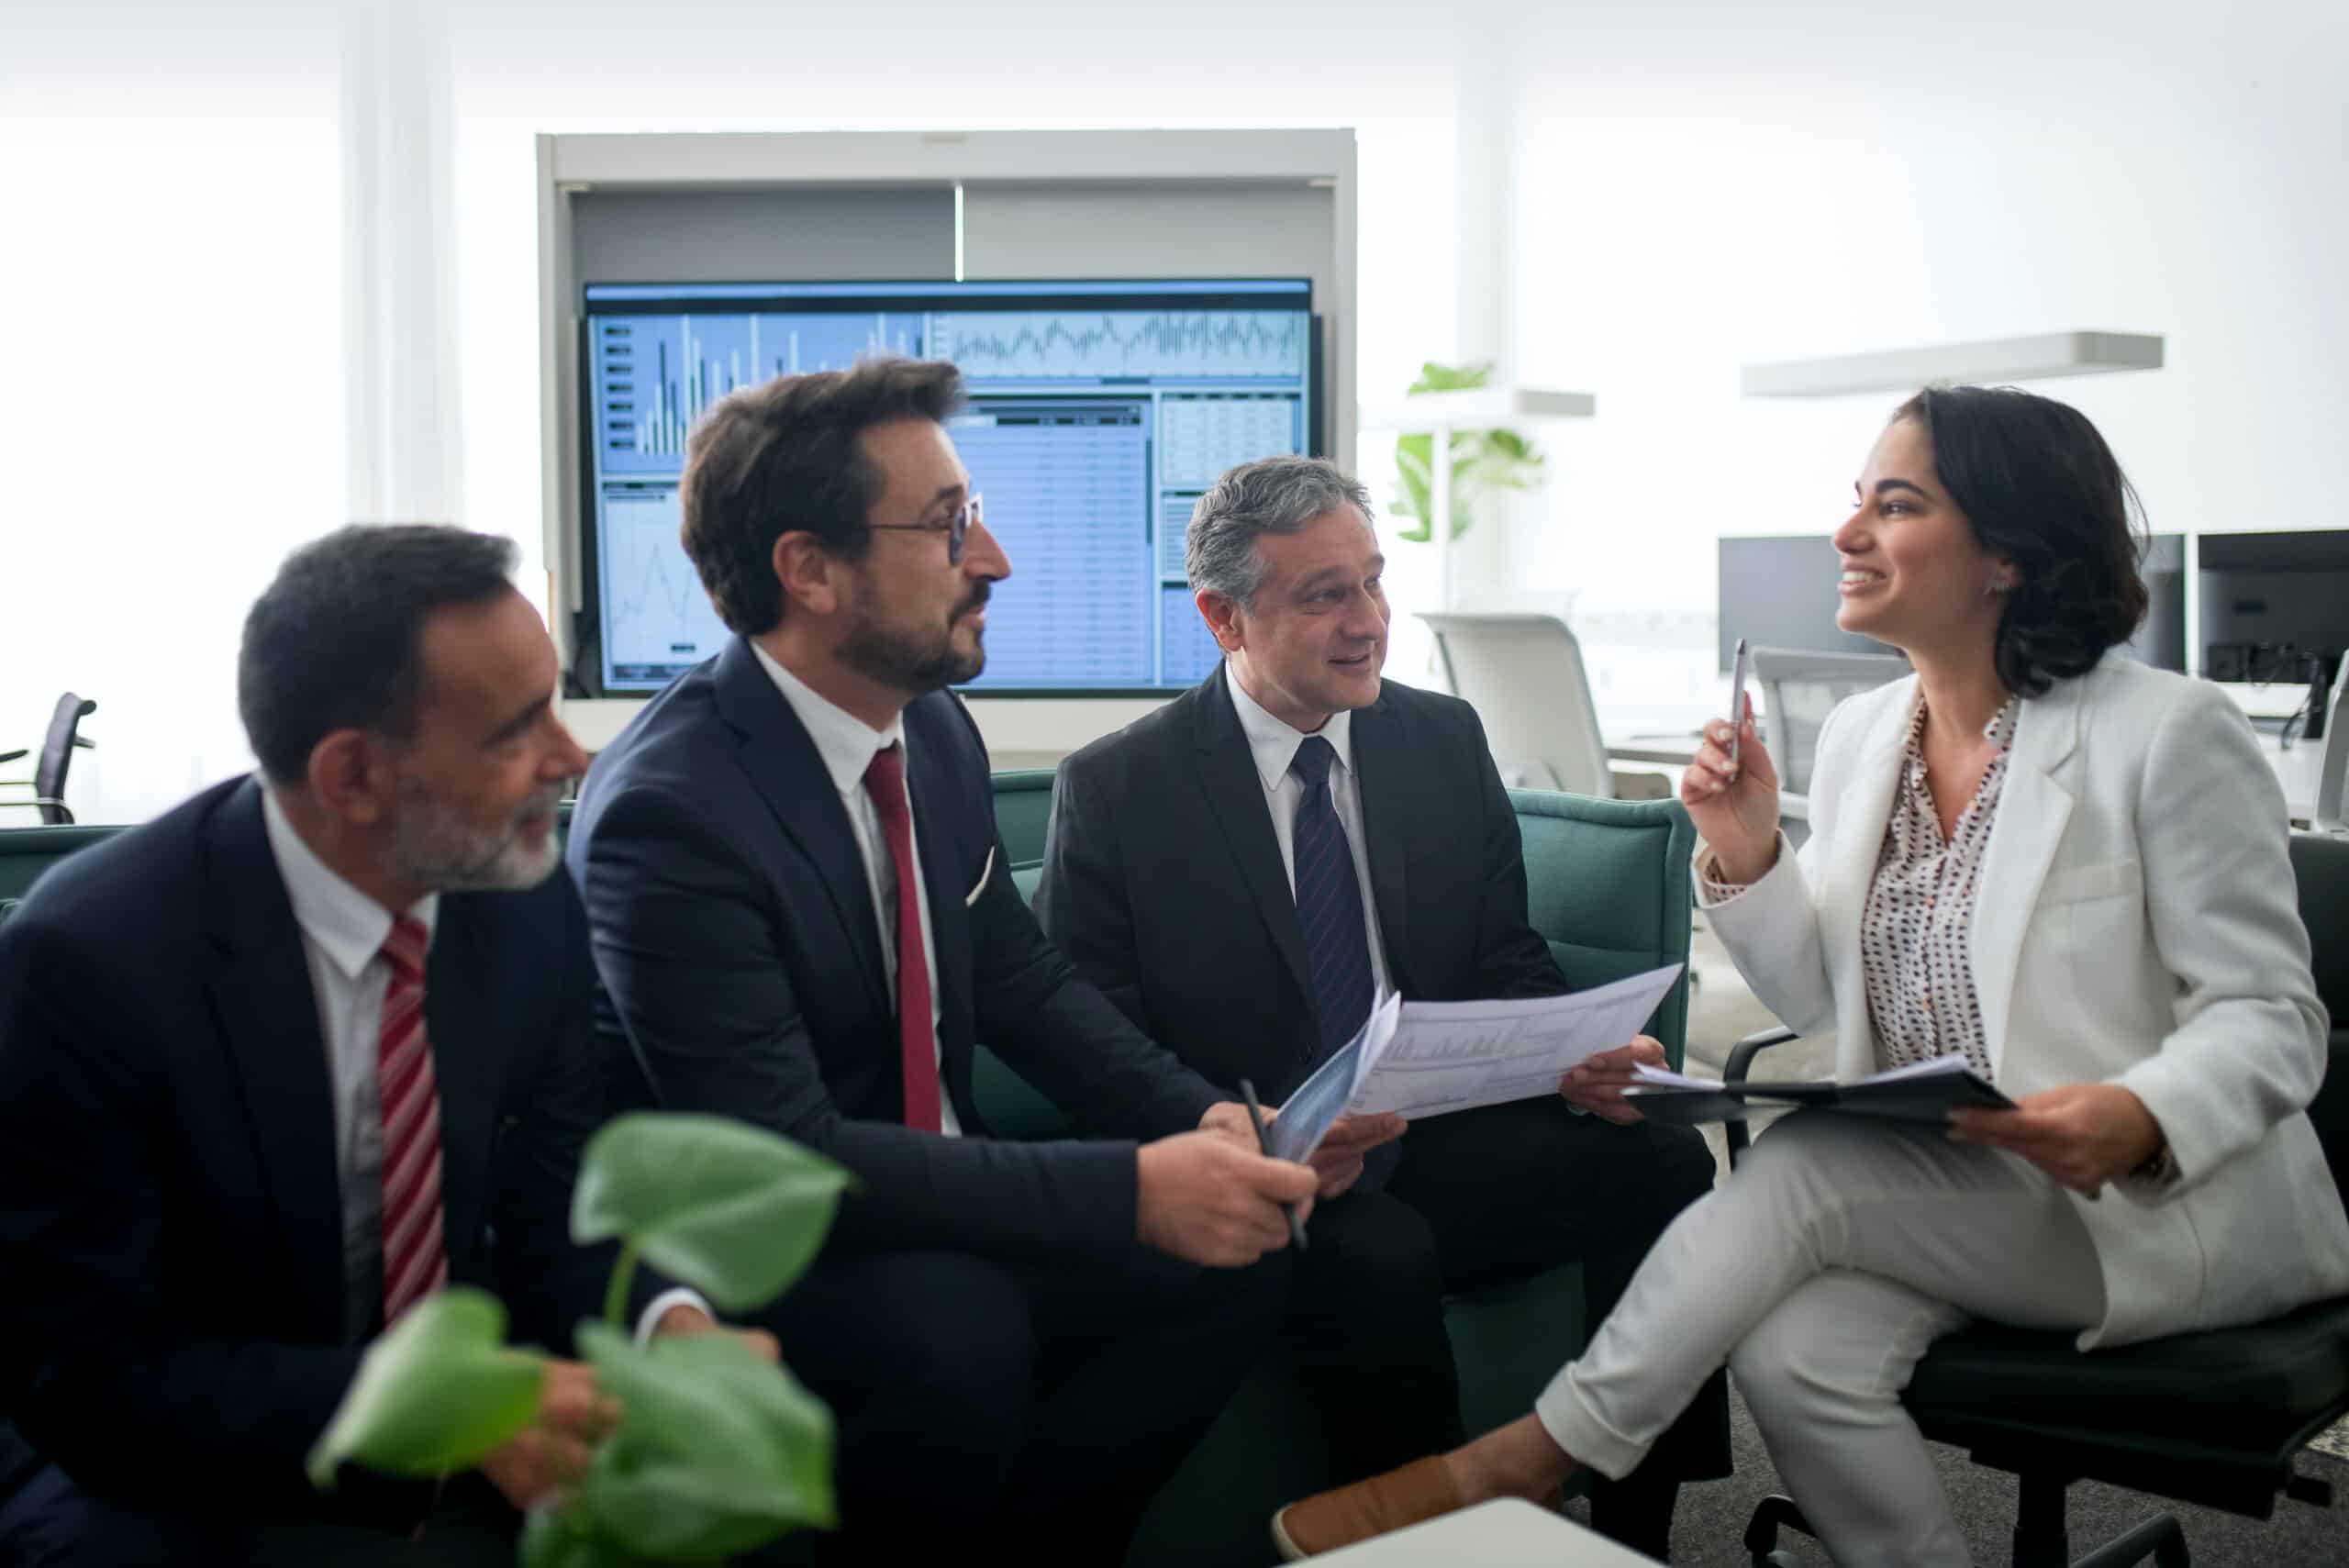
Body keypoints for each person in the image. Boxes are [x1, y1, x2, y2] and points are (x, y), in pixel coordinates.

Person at [1271, 385, 2349, 1564]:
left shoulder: (2169, 735)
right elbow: (1830, 1010)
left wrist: (2140, 1111)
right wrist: (1745, 847)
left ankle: (1530, 1452)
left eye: (1895, 506)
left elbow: (2271, 1017)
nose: (1846, 535)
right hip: (1943, 1189)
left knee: (1803, 1167)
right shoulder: (1862, 736)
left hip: (2136, 1206)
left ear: (2005, 554)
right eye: (1857, 502)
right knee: (1795, 1358)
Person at [564, 359, 1320, 1560]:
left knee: (1236, 1251)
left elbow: (1019, 981)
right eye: (948, 523)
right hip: (766, 1232)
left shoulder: (930, 725)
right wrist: (1129, 1183)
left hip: (937, 1184)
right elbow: (783, 1155)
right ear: (808, 569)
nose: (995, 559)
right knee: (954, 1325)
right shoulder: (672, 814)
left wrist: (1213, 1120)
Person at [1032, 455, 1727, 1554]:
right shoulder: (1123, 787)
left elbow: (1506, 959)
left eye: (1372, 582)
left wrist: (1584, 1052)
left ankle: (1643, 1522)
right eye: (1324, 595)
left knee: (1666, 1164)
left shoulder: (1439, 738)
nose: (1368, 622)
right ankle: (1433, 1544)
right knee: (1377, 1255)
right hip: (1279, 1162)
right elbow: (1090, 1033)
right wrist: (1244, 1132)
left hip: (1444, 1126)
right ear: (1224, 617)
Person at [0, 526, 731, 1565]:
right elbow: (96, 1376)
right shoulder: (92, 960)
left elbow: (557, 1201)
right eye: (517, 730)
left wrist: (669, 1326)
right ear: (351, 777)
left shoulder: (522, 898)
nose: (573, 760)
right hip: (195, 1464)